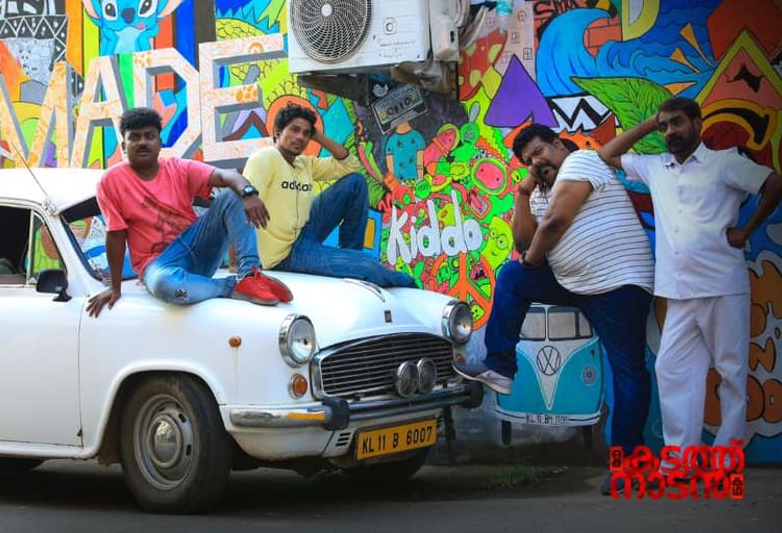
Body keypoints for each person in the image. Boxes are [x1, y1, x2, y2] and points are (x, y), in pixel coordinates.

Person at [454, 124, 655, 493]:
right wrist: (522, 192)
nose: (535, 162)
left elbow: (556, 223)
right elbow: (523, 242)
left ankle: (630, 467)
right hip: (573, 283)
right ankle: (500, 366)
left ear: (558, 144)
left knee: (627, 371)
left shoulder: (582, 161)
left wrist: (533, 258)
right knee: (513, 276)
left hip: (618, 283)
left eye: (539, 151)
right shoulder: (540, 192)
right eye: (528, 160)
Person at [599, 97, 782, 471]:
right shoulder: (656, 167)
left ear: (698, 123)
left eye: (677, 123)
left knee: (731, 373)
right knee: (671, 370)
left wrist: (747, 230)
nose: (671, 131)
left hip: (722, 285)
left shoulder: (724, 163)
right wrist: (650, 123)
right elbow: (607, 154)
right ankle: (680, 460)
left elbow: (774, 184)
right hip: (677, 291)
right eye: (665, 126)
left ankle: (726, 459)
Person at [87, 107, 291, 316]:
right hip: (159, 265)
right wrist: (115, 287)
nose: (142, 142)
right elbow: (116, 234)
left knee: (233, 193)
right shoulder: (111, 181)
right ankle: (232, 286)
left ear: (160, 142)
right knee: (164, 285)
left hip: (197, 247)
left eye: (149, 136)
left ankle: (250, 275)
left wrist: (249, 193)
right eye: (134, 137)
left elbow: (225, 176)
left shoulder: (177, 168)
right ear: (123, 145)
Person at [242, 103, 415, 288]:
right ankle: (407, 283)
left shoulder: (304, 164)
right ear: (277, 132)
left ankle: (351, 254)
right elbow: (241, 207)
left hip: (304, 231)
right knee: (369, 266)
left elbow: (351, 165)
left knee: (356, 182)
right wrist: (242, 263)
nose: (300, 137)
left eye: (306, 133)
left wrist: (318, 136)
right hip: (286, 254)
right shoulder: (264, 159)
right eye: (294, 130)